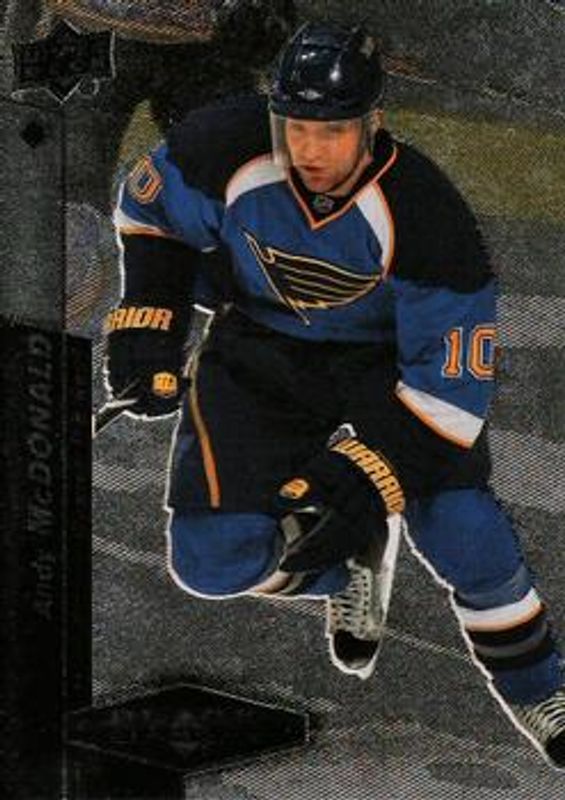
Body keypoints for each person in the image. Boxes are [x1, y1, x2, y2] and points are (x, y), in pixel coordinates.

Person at [103, 21, 565, 768]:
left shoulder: (427, 216)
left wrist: (359, 478)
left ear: (372, 123)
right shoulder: (222, 145)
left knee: (462, 531)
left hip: (391, 370)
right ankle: (346, 567)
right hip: (260, 350)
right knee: (209, 562)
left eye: (333, 131)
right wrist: (151, 319)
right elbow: (148, 213)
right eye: (296, 128)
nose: (311, 151)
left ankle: (538, 688)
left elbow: (448, 397)